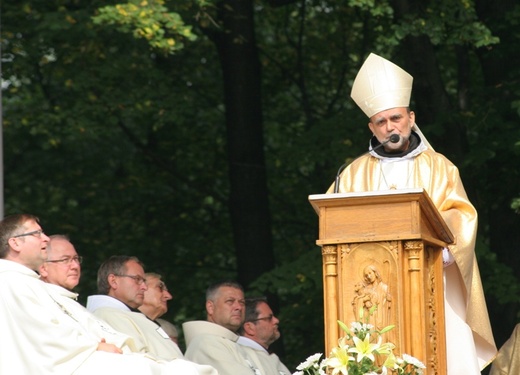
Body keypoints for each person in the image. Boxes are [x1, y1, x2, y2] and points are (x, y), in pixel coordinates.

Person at [328, 53, 497, 374]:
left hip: (432, 278)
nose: (390, 127)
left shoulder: (439, 166)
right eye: (381, 121)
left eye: (396, 118)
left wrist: (445, 248)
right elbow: (333, 220)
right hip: (374, 293)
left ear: (411, 118)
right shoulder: (351, 174)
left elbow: (460, 214)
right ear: (371, 127)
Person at [0, 213, 218, 375]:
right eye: (37, 233)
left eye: (76, 259)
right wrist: (95, 345)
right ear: (15, 242)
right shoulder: (10, 281)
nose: (45, 239)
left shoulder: (29, 282)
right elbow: (44, 337)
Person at [86, 256, 185, 362]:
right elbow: (138, 362)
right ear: (113, 281)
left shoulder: (122, 314)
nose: (144, 287)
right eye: (137, 279)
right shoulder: (108, 315)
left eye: (143, 281)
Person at [183, 281, 262, 375]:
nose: (239, 307)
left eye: (242, 302)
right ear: (210, 307)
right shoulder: (206, 343)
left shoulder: (232, 343)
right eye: (230, 301)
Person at [237, 297, 291, 375]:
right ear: (249, 328)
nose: (276, 320)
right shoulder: (243, 357)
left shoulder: (258, 354)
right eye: (269, 318)